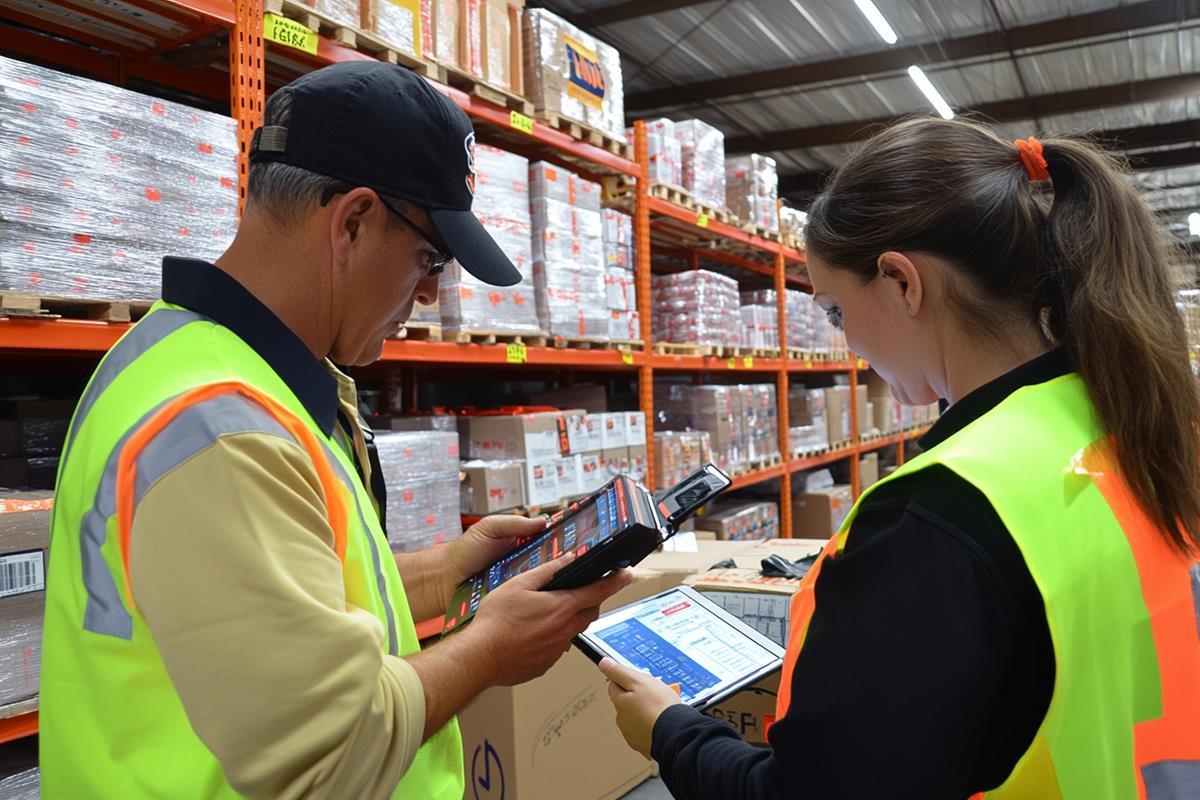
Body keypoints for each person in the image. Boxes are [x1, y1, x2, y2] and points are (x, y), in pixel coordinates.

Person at [39, 61, 630, 799]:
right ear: (351, 222)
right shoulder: (223, 428)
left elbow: (295, 610)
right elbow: (327, 754)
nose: (429, 292)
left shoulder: (191, 357)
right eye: (430, 259)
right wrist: (490, 650)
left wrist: (447, 571)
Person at [599, 117, 1200, 799]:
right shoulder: (1129, 423)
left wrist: (670, 730)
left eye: (833, 311)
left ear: (902, 282)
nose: (847, 340)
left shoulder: (939, 514)